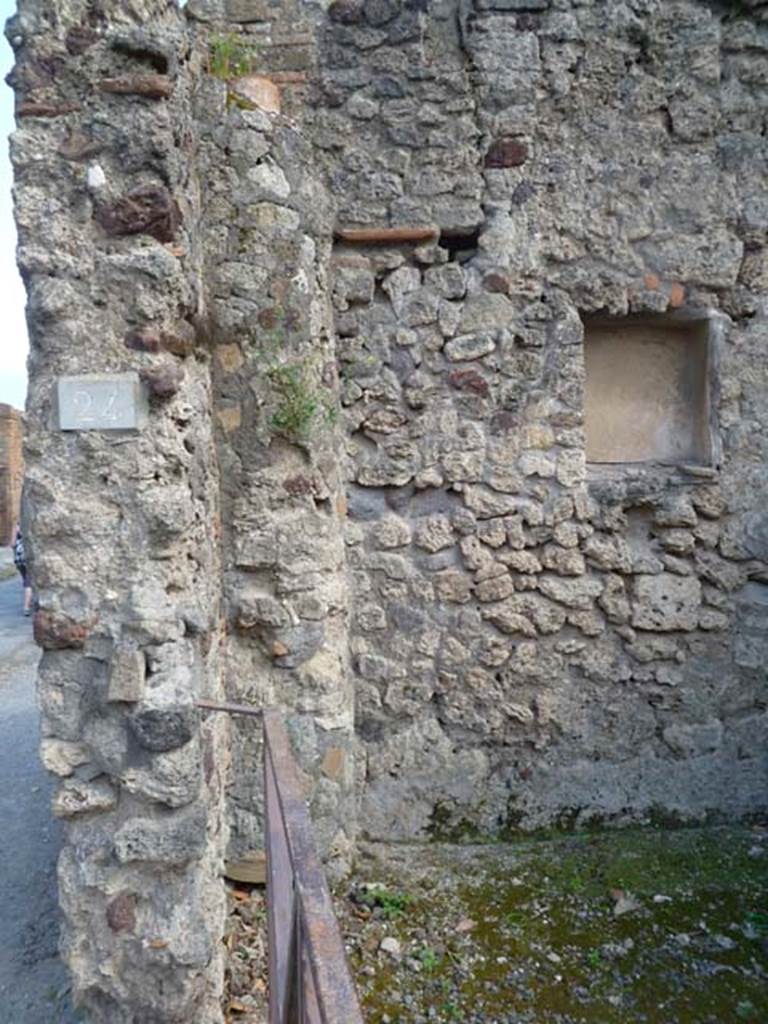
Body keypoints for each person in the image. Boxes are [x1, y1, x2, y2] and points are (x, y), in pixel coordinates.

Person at [11, 523, 32, 617]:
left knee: (26, 581)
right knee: (29, 583)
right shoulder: (32, 523)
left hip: (19, 557)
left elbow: (12, 544)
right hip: (28, 555)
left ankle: (30, 602)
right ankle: (26, 607)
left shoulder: (17, 526)